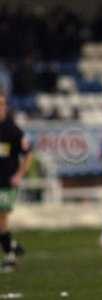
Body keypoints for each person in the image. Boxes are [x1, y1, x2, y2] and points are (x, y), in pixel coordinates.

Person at [0, 92, 32, 272]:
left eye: (2, 104)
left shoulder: (12, 129)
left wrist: (19, 174)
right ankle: (12, 246)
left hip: (6, 182)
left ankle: (10, 256)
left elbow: (28, 154)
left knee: (1, 218)